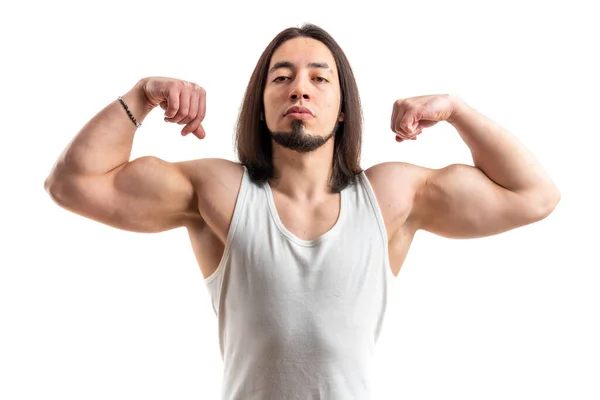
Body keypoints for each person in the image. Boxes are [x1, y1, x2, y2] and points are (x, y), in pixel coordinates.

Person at [44, 23, 561, 399]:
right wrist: (143, 95)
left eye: (320, 78)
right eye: (282, 77)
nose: (299, 88)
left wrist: (458, 111)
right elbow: (72, 184)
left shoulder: (390, 195)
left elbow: (535, 196)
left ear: (342, 107)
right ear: (261, 101)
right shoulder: (218, 191)